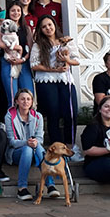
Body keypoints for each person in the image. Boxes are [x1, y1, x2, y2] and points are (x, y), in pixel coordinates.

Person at [30, 15, 79, 146]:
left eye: (50, 25)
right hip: (46, 80)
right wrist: (54, 70)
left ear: (55, 25)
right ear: (40, 30)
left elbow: (77, 60)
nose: (48, 28)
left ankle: (70, 145)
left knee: (71, 112)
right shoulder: (38, 45)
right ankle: (56, 146)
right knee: (53, 113)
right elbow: (34, 65)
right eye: (44, 27)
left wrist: (67, 61)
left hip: (65, 80)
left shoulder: (67, 41)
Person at [4, 89, 59, 201]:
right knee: (27, 149)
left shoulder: (38, 116)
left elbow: (40, 138)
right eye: (22, 99)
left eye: (28, 99)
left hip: (35, 151)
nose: (26, 102)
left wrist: (35, 142)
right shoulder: (10, 116)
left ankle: (50, 185)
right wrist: (26, 142)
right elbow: (12, 141)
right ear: (17, 101)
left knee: (37, 147)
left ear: (32, 101)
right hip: (16, 152)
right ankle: (22, 187)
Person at [0, 2, 34, 108]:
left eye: (18, 10)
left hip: (23, 63)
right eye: (13, 10)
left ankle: (28, 118)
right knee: (13, 96)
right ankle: (13, 118)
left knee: (28, 94)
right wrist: (17, 48)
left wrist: (23, 59)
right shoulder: (3, 26)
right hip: (8, 62)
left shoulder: (26, 28)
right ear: (8, 12)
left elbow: (31, 48)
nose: (16, 13)